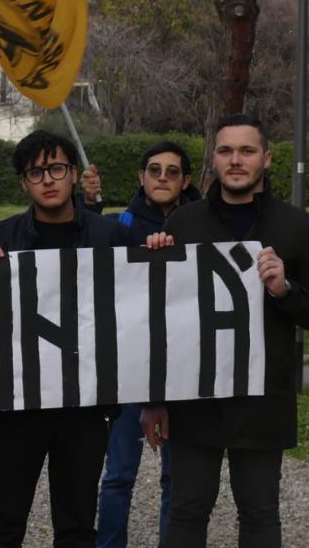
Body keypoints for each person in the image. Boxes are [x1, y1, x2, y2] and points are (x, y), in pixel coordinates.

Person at [141, 114, 309, 548]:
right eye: (226, 151)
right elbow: (161, 320)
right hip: (195, 397)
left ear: (266, 159)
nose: (236, 160)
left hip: (263, 398)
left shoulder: (298, 227)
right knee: (187, 508)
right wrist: (154, 399)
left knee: (260, 511)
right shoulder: (183, 224)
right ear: (213, 159)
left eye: (247, 151)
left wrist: (284, 289)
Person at [0, 130, 166, 548]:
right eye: (36, 172)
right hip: (15, 409)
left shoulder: (109, 236)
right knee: (3, 523)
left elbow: (138, 307)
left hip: (83, 409)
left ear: (74, 174)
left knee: (76, 526)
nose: (48, 179)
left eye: (56, 168)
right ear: (24, 182)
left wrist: (158, 249)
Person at [88, 141, 201, 548]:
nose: (163, 178)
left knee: (178, 476)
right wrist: (88, 203)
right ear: (141, 176)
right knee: (119, 474)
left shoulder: (203, 226)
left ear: (186, 180)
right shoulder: (122, 225)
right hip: (128, 367)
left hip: (185, 367)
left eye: (172, 172)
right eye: (154, 170)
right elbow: (80, 248)